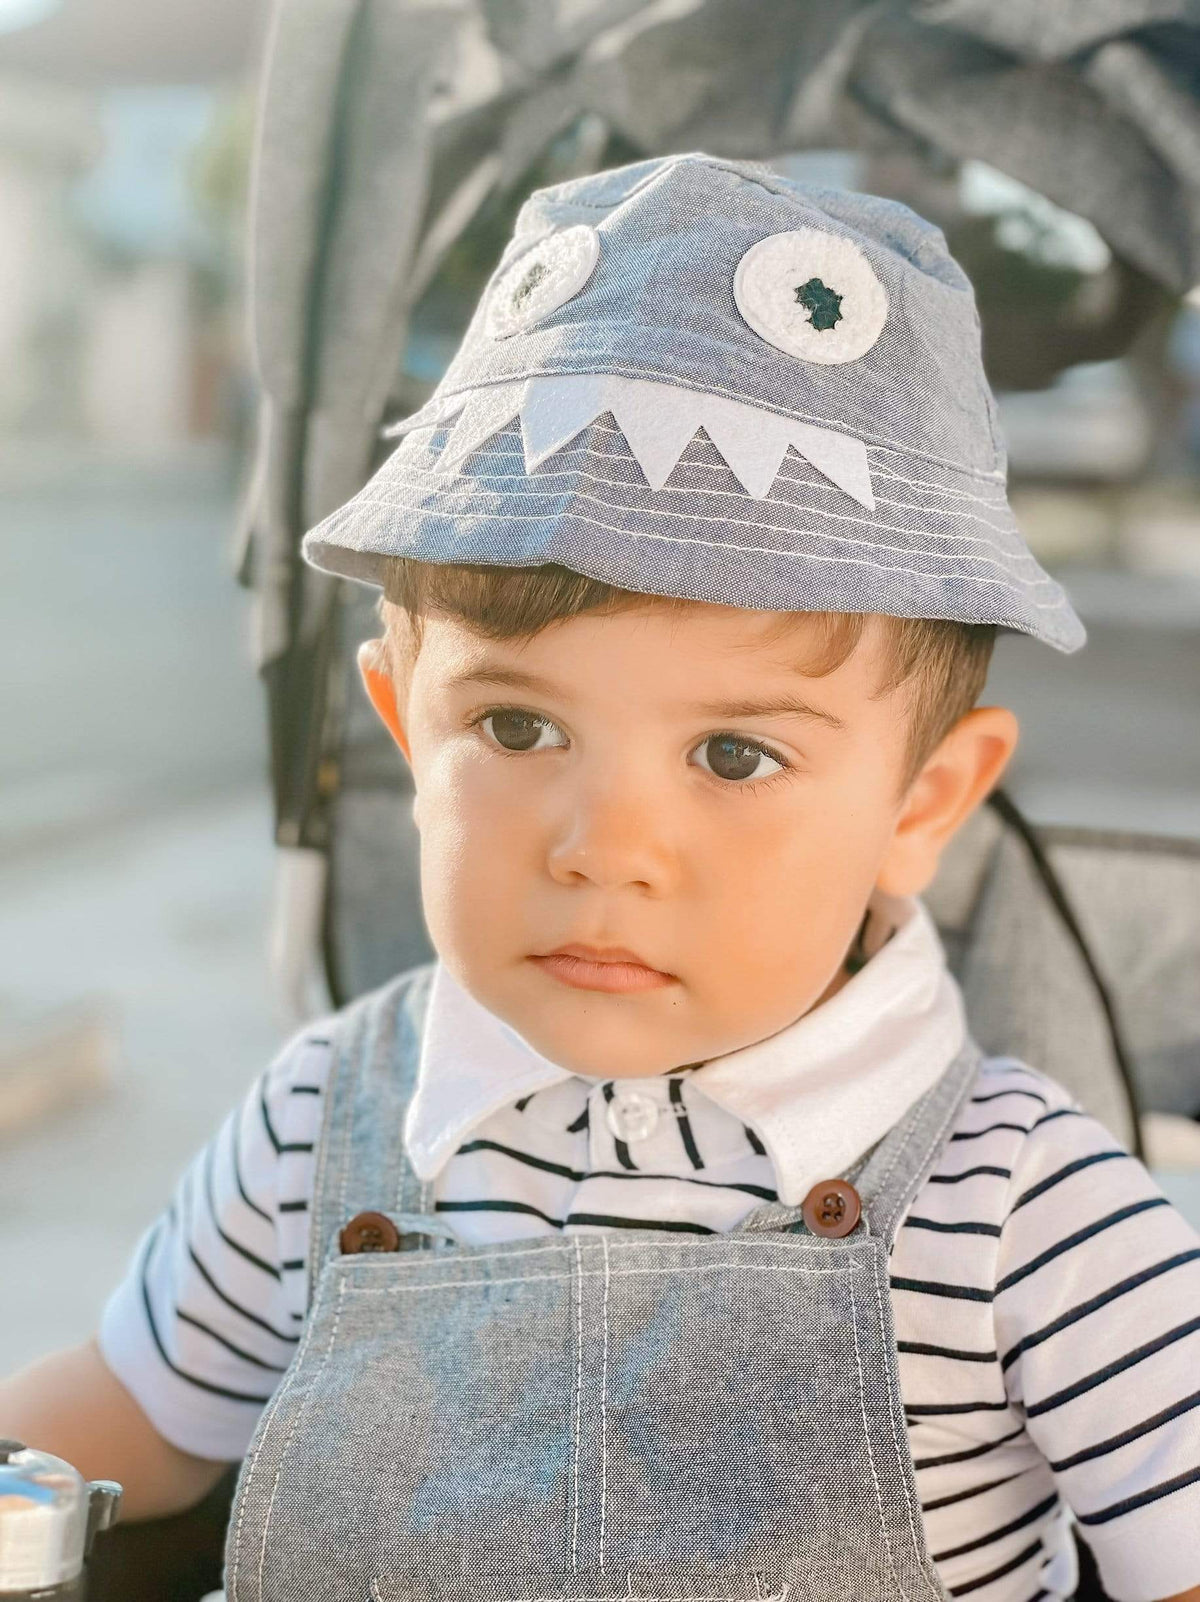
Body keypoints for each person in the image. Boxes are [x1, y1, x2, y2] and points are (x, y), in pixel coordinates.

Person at [4, 154, 1199, 1602]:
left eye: (736, 756)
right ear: (405, 727)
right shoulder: (323, 1126)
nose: (603, 847)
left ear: (921, 800)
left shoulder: (1023, 1212)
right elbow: (119, 1424)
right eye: (517, 727)